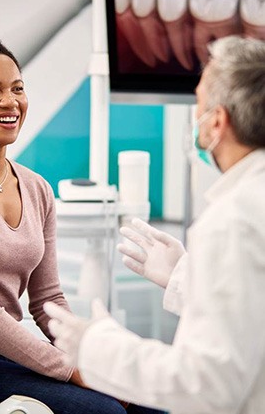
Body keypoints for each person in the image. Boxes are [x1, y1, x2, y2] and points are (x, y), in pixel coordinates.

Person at [0, 15, 164, 414]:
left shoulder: (37, 188)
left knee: (152, 401)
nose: (10, 102)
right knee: (103, 411)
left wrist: (89, 354)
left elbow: (48, 299)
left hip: (10, 354)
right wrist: (70, 369)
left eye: (17, 89)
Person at [44, 35, 265, 414]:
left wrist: (99, 346)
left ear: (216, 122)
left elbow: (207, 384)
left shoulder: (232, 220)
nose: (194, 116)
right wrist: (185, 277)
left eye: (198, 101)